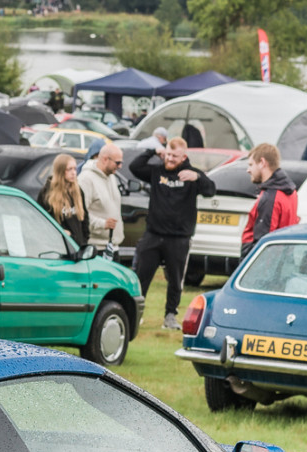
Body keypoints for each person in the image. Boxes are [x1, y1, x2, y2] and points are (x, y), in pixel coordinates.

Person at [127, 137, 216, 329]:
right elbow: (135, 167)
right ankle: (135, 314)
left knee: (175, 280)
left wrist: (198, 178)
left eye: (174, 156)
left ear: (184, 156)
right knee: (141, 276)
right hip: (153, 234)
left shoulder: (192, 174)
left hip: (179, 238)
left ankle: (170, 316)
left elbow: (211, 190)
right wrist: (152, 152)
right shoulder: (156, 171)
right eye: (168, 154)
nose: (170, 159)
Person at [240, 143, 299, 257]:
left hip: (268, 263)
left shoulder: (271, 197)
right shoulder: (290, 191)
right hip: (284, 256)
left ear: (262, 163)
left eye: (251, 165)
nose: (248, 170)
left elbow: (264, 243)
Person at [78, 142, 125, 253]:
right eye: (117, 163)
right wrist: (102, 224)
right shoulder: (85, 179)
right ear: (105, 159)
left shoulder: (111, 176)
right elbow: (80, 213)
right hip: (96, 248)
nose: (120, 167)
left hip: (112, 246)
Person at [41, 154, 89, 245]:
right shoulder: (47, 193)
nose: (73, 173)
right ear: (60, 171)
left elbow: (85, 219)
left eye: (75, 169)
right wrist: (61, 231)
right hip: (59, 246)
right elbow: (43, 221)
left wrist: (84, 241)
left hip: (78, 246)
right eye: (69, 169)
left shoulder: (78, 191)